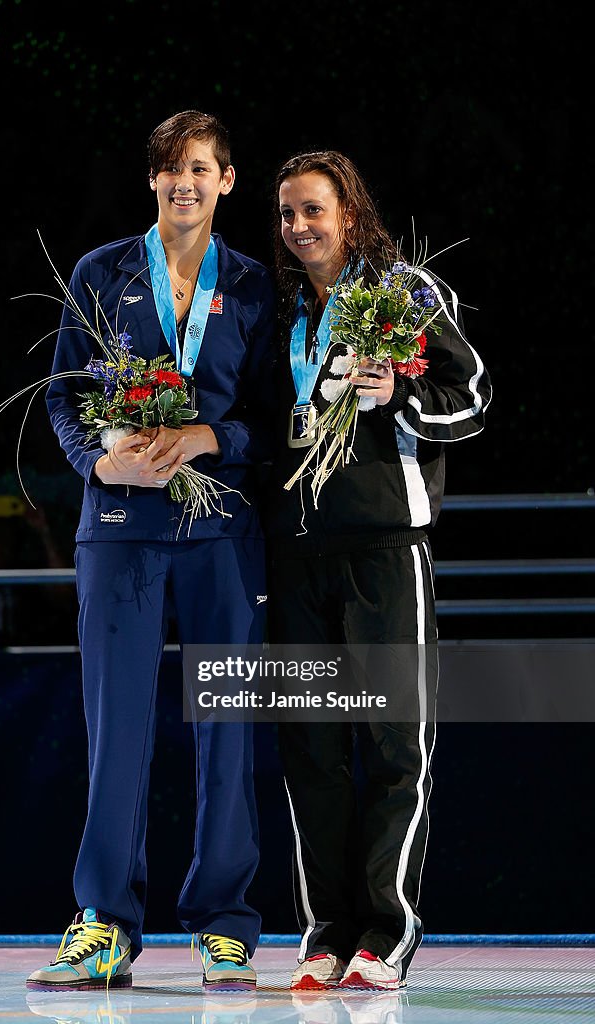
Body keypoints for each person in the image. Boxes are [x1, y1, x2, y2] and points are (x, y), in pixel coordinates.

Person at [26, 111, 276, 994]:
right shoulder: (102, 273)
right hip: (121, 531)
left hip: (220, 537)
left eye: (201, 169)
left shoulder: (250, 284)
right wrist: (96, 457)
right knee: (116, 731)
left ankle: (225, 922)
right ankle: (103, 925)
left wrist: (211, 437)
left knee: (228, 730)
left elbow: (271, 419)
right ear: (152, 181)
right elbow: (62, 394)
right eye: (171, 170)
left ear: (228, 181)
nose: (185, 184)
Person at [263, 151, 491, 991]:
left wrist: (397, 392)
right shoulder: (278, 306)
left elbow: (471, 401)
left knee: (396, 744)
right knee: (310, 751)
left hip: (386, 546)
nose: (298, 228)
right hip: (293, 555)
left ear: (350, 214)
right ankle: (324, 930)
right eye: (286, 214)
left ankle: (386, 934)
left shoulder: (405, 293)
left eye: (312, 211)